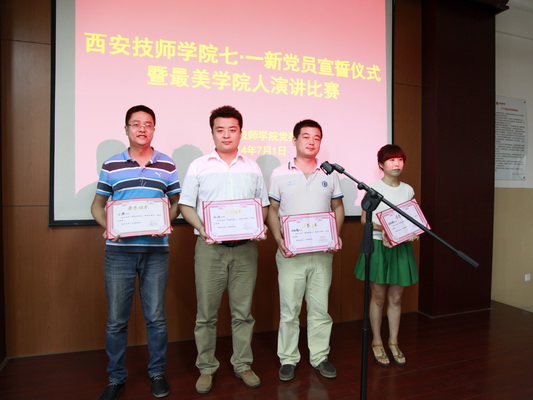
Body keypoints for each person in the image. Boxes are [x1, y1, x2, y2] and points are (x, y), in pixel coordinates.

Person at [91, 105, 181, 400]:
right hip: (119, 253)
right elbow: (97, 205)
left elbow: (176, 203)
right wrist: (109, 227)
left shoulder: (167, 164)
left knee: (156, 317)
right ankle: (116, 377)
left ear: (154, 129)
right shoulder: (111, 165)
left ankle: (157, 373)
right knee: (117, 320)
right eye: (136, 124)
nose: (142, 129)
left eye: (148, 124)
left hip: (156, 252)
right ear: (126, 129)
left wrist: (166, 220)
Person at [178, 105, 269, 394]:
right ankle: (206, 367)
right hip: (210, 249)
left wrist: (258, 225)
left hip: (245, 250)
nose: (226, 135)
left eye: (232, 130)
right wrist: (203, 227)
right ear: (212, 133)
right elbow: (185, 205)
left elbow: (263, 205)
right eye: (220, 130)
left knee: (243, 313)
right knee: (206, 314)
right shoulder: (199, 166)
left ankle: (242, 364)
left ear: (241, 132)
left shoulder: (252, 167)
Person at [266, 119, 344, 382]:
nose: (311, 141)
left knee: (320, 309)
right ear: (295, 140)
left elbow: (338, 207)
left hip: (322, 254)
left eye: (317, 137)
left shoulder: (330, 174)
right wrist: (279, 240)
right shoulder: (279, 173)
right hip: (291, 254)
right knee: (289, 309)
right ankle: (288, 358)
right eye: (306, 136)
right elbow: (273, 211)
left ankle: (319, 356)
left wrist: (335, 235)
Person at [354, 144, 419, 367]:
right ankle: (377, 341)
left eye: (400, 159)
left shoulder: (408, 190)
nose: (396, 163)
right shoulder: (373, 188)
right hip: (378, 246)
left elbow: (411, 218)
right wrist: (386, 229)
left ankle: (393, 342)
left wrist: (412, 231)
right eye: (391, 160)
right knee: (378, 297)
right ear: (381, 164)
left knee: (396, 298)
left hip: (400, 246)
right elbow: (365, 220)